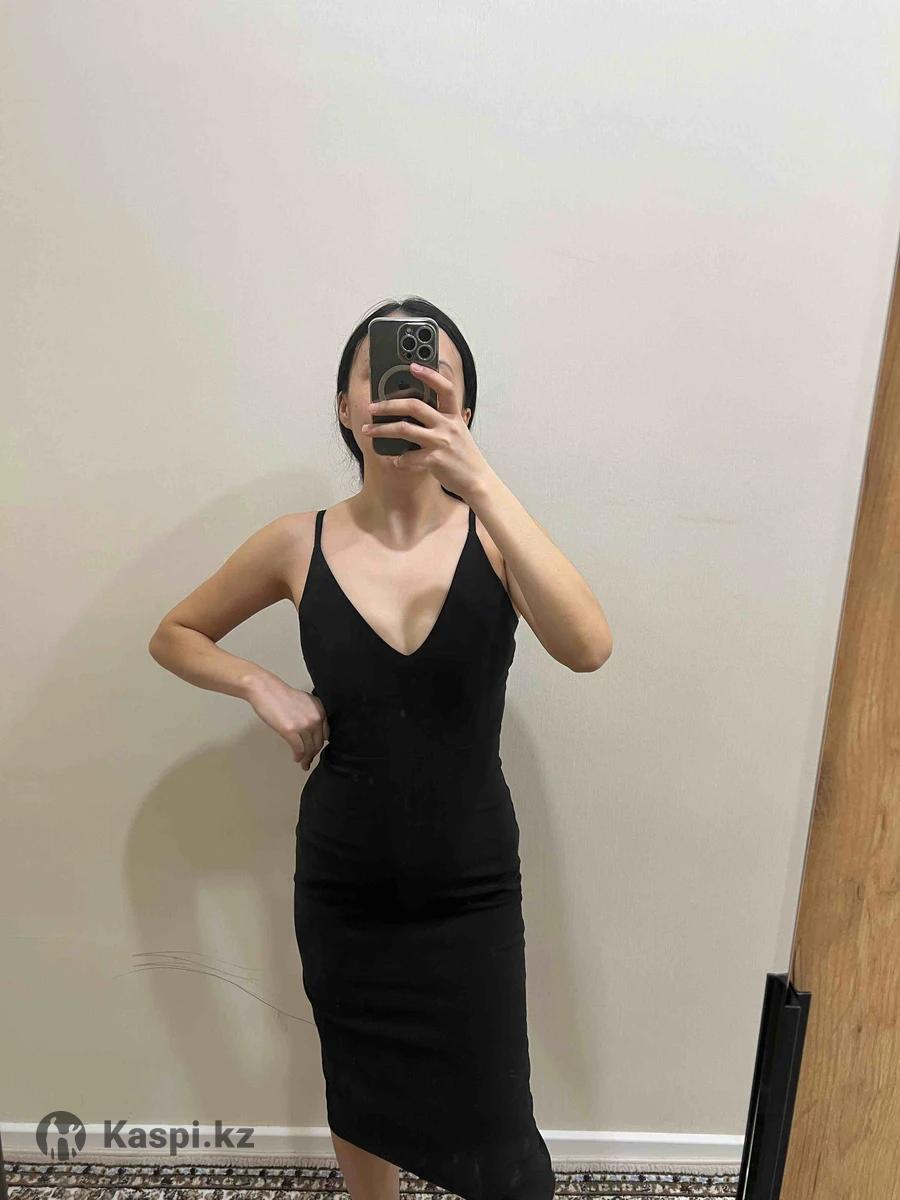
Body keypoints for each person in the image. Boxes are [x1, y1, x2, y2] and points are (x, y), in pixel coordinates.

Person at [149, 295, 612, 1200]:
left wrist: (483, 483)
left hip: (471, 886)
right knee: (360, 1096)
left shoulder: (496, 535)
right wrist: (260, 684)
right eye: (386, 374)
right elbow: (175, 634)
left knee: (505, 1151)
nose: (407, 391)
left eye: (434, 378)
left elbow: (588, 646)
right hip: (344, 884)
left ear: (463, 409)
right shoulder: (297, 542)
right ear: (345, 404)